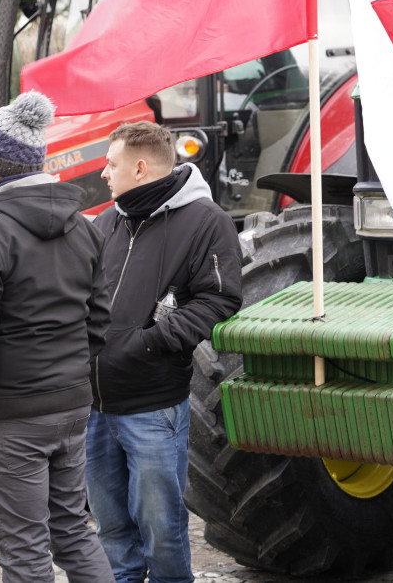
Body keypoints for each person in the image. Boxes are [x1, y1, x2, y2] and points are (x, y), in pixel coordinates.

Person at [0, 91, 114, 583]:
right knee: (74, 532)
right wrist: (75, 380)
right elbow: (98, 320)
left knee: (23, 551)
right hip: (70, 404)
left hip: (9, 414)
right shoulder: (84, 227)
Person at [86, 120, 243, 583]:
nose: (103, 173)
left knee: (161, 530)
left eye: (110, 164)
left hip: (152, 404)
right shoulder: (107, 221)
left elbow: (219, 300)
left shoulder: (205, 221)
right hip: (93, 404)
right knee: (111, 526)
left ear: (139, 167)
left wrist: (147, 341)